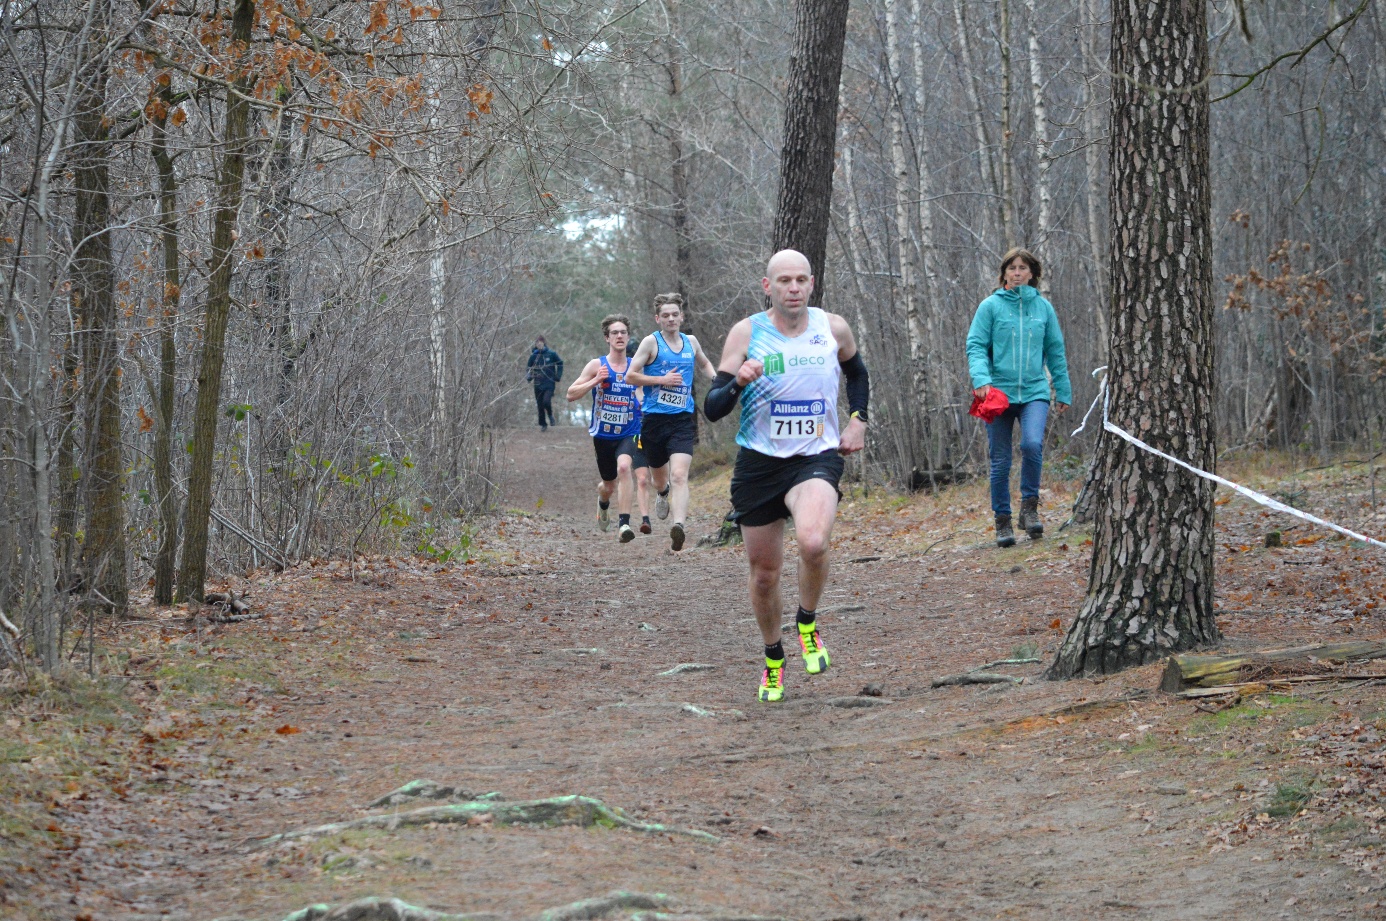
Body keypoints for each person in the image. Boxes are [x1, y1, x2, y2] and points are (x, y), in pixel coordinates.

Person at [703, 250, 869, 703]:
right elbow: (712, 408)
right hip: (758, 464)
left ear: (811, 283)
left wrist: (858, 419)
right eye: (784, 281)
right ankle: (773, 658)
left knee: (813, 541)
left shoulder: (831, 327)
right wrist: (737, 381)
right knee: (764, 575)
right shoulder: (747, 333)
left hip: (815, 456)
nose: (793, 288)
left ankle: (808, 625)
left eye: (801, 280)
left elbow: (857, 372)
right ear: (767, 286)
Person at [965, 247, 1071, 547]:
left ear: (1033, 274)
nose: (1017, 272)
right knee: (1000, 460)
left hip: (1035, 391)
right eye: (1012, 267)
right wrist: (981, 379)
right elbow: (975, 345)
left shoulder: (1043, 308)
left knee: (1032, 444)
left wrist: (1062, 390)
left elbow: (1055, 351)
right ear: (1004, 273)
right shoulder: (990, 307)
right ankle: (1002, 522)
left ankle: (1029, 510)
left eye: (1023, 268)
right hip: (997, 393)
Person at [626, 293, 717, 551]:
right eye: (665, 315)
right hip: (654, 420)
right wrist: (660, 380)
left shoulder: (691, 342)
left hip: (681, 419)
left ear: (682, 317)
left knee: (679, 475)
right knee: (660, 479)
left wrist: (716, 380)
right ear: (658, 319)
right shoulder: (650, 343)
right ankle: (662, 494)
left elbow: (704, 363)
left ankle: (679, 526)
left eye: (675, 314)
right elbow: (631, 376)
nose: (671, 319)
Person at [565, 316, 653, 541]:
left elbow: (642, 394)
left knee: (625, 468)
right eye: (615, 333)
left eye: (623, 332)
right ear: (607, 338)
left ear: (628, 336)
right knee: (608, 485)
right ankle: (603, 502)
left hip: (629, 431)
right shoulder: (597, 365)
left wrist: (643, 404)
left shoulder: (635, 367)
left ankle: (624, 525)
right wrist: (595, 381)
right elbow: (570, 394)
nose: (620, 336)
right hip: (603, 434)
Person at [526, 336, 563, 430]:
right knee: (540, 404)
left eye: (540, 342)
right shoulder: (533, 356)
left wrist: (558, 375)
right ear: (535, 344)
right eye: (537, 343)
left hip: (549, 382)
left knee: (546, 401)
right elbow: (528, 368)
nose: (539, 344)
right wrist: (529, 376)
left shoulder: (551, 354)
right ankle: (543, 424)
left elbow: (560, 363)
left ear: (544, 343)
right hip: (538, 383)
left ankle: (550, 415)